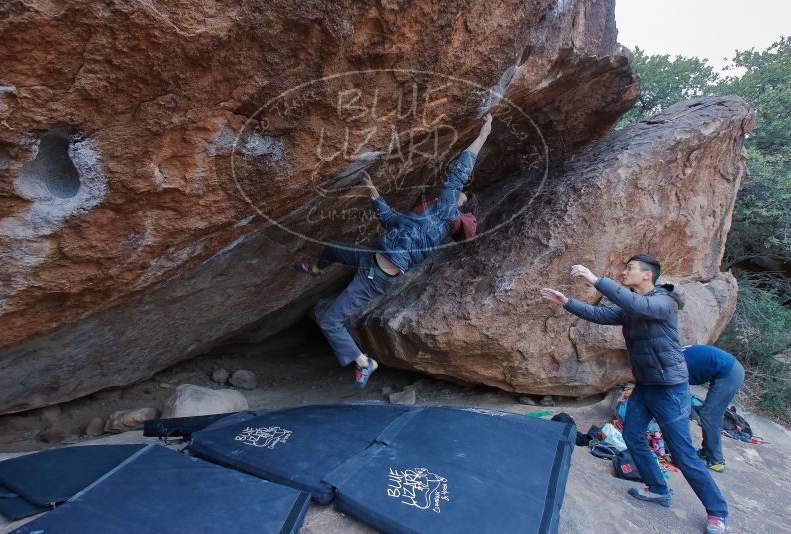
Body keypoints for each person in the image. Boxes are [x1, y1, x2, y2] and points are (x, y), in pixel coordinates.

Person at [295, 114, 493, 389]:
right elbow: (391, 221)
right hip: (371, 259)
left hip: (375, 278)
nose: (459, 194)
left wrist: (483, 135)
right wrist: (373, 191)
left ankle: (364, 362)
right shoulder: (423, 218)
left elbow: (458, 174)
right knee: (332, 248)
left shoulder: (446, 215)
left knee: (330, 321)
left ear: (461, 208)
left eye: (462, 197)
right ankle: (316, 269)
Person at [540, 254, 728, 534]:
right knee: (632, 435)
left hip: (670, 389)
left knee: (683, 452)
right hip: (645, 386)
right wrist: (567, 302)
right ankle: (658, 488)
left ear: (647, 275)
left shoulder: (663, 302)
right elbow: (601, 315)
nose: (624, 273)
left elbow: (637, 304)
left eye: (630, 269)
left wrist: (594, 279)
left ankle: (717, 512)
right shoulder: (634, 307)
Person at [682, 344, 745, 472]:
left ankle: (715, 460)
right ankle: (707, 452)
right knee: (709, 414)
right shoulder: (675, 354)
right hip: (730, 368)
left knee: (710, 415)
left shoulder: (675, 364)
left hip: (730, 373)